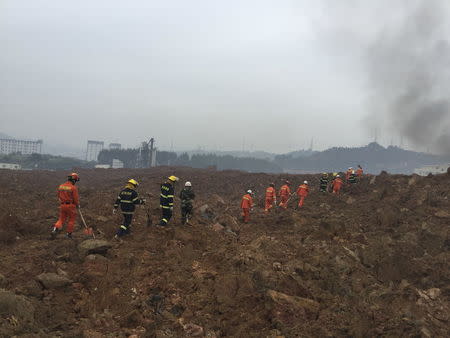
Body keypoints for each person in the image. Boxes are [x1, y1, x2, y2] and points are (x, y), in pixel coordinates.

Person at [51, 172, 80, 239]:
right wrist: (77, 205)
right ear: (74, 180)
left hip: (62, 205)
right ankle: (69, 234)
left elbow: (58, 195)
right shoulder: (73, 188)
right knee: (71, 219)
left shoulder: (61, 186)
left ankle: (55, 229)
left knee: (61, 219)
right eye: (76, 180)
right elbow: (75, 199)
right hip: (70, 206)